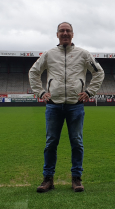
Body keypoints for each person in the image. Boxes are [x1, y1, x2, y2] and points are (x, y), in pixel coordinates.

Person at [29, 22, 104, 193]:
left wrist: (90, 92)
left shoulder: (83, 54)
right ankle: (48, 179)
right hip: (53, 106)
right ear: (57, 34)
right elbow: (33, 72)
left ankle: (76, 179)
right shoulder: (49, 54)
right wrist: (40, 92)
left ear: (73, 34)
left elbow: (99, 72)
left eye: (68, 31)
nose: (65, 33)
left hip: (75, 106)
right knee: (50, 143)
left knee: (77, 142)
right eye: (62, 31)